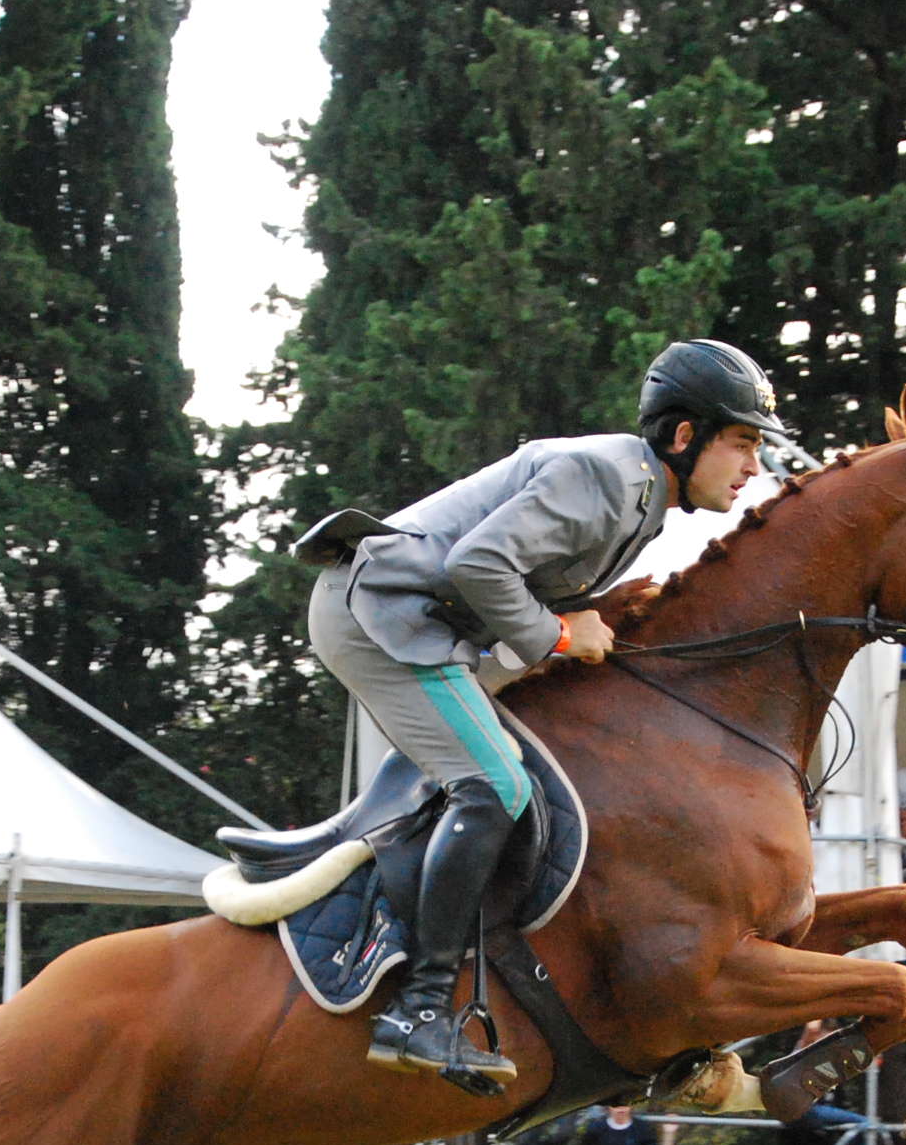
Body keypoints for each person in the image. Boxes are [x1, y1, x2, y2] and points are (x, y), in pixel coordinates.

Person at [287, 337, 787, 1091]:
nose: (754, 466)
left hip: (425, 623)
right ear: (685, 437)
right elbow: (477, 565)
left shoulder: (643, 498)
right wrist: (560, 633)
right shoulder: (607, 477)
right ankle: (418, 1011)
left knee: (492, 772)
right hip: (383, 617)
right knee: (496, 787)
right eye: (742, 443)